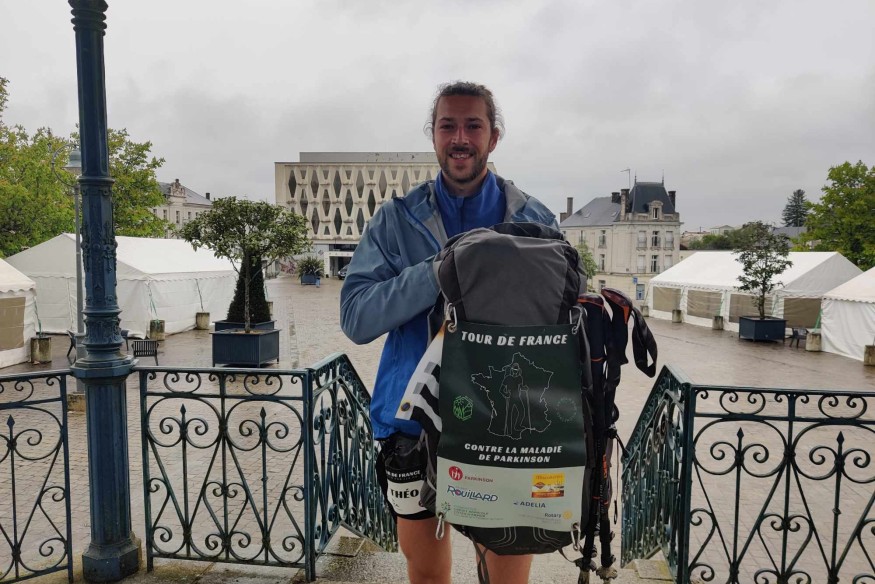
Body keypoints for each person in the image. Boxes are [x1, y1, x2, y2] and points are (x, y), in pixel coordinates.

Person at [340, 81, 557, 584]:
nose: (460, 137)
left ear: (494, 137)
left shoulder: (533, 220)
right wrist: (441, 268)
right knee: (428, 575)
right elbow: (356, 318)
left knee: (504, 577)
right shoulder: (394, 221)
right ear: (433, 136)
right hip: (411, 425)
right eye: (448, 126)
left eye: (473, 125)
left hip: (506, 430)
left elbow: (560, 319)